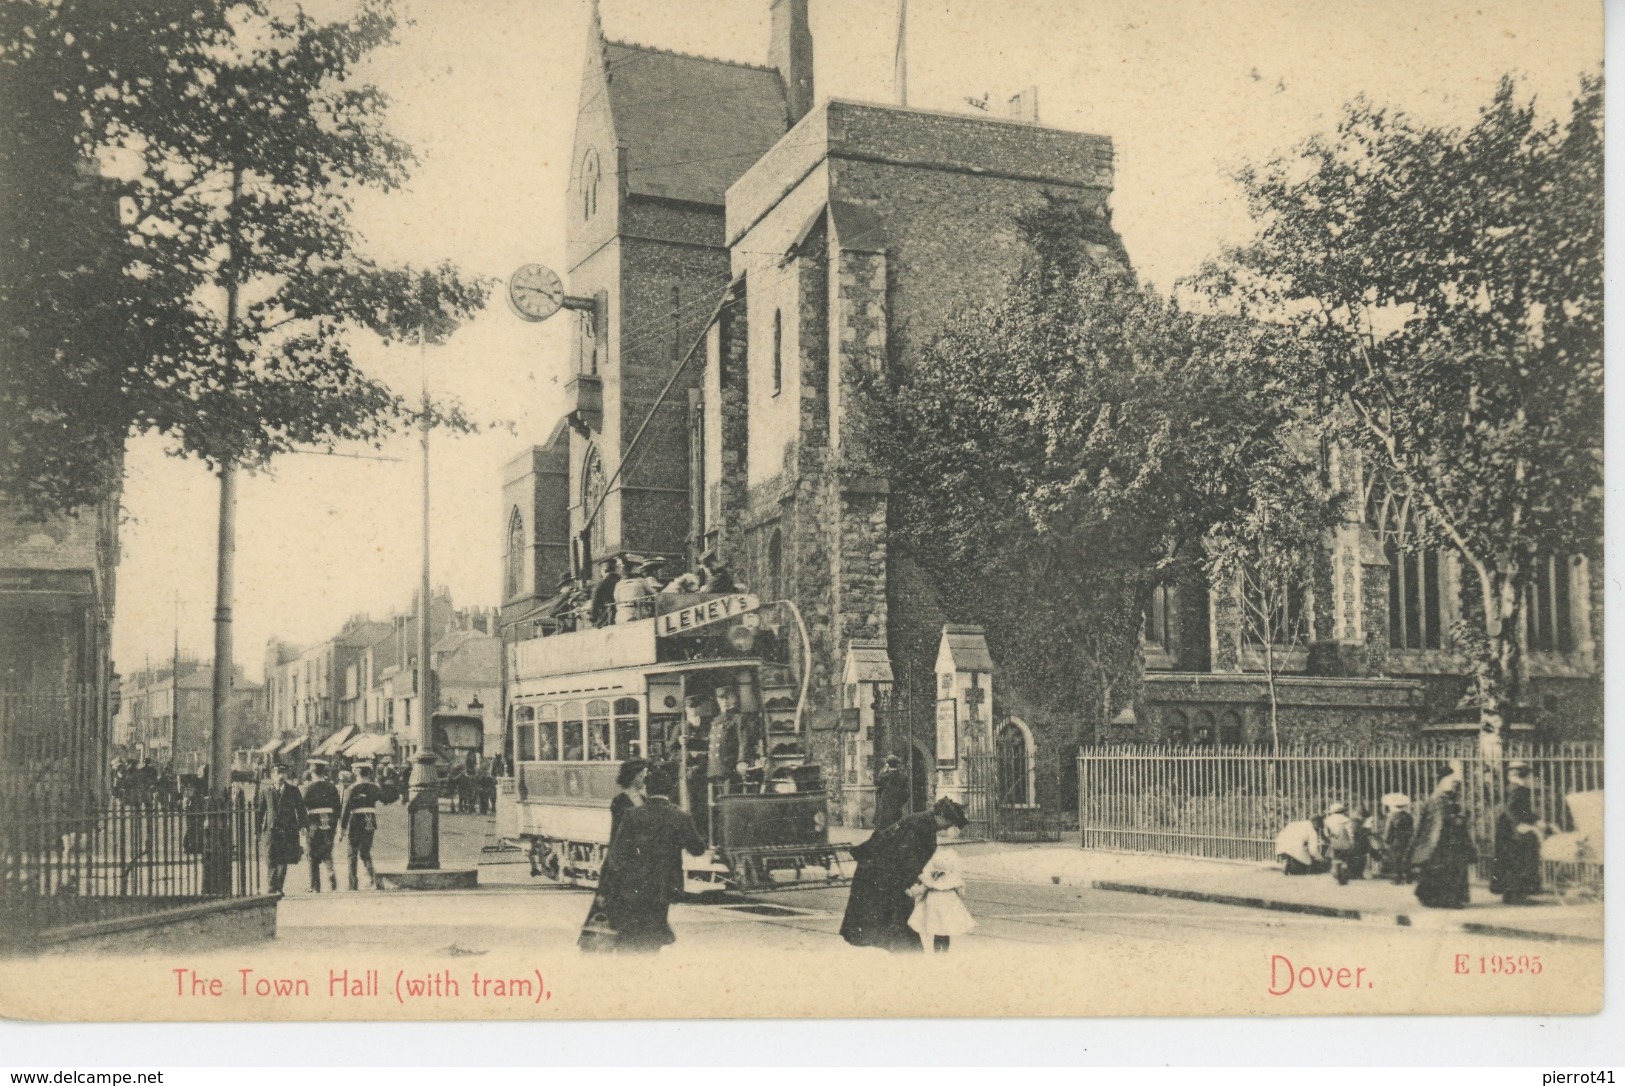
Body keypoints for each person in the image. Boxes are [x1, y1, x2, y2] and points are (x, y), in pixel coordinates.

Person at [591, 772, 707, 952]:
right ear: (671, 790)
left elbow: (617, 854)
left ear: (647, 789)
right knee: (653, 938)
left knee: (629, 936)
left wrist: (607, 887)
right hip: (663, 887)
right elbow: (698, 849)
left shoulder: (632, 815)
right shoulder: (679, 817)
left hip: (632, 887)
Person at [841, 796, 969, 952]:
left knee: (895, 914)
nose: (948, 827)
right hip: (879, 871)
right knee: (891, 913)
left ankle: (907, 949)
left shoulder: (924, 823)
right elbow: (906, 857)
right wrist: (911, 884)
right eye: (949, 823)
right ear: (941, 816)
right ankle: (909, 952)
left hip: (886, 871)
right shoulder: (921, 825)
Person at [1410, 764, 1478, 909]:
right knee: (1446, 870)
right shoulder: (1438, 798)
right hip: (1443, 841)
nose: (1453, 784)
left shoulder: (1445, 797)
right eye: (1450, 781)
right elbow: (1439, 823)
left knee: (1444, 870)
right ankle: (1446, 900)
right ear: (1442, 780)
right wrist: (1457, 820)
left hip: (1447, 840)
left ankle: (1436, 898)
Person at [1490, 760, 1544, 905]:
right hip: (1513, 830)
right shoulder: (1518, 789)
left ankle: (1511, 895)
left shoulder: (1514, 788)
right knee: (1519, 860)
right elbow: (1511, 809)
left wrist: (1536, 820)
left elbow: (1523, 811)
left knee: (1511, 860)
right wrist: (1521, 824)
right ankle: (1517, 896)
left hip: (1508, 829)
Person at [907, 843, 975, 952]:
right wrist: (961, 890)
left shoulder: (931, 877)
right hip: (948, 907)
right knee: (945, 930)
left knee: (936, 930)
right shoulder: (953, 879)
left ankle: (937, 951)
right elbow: (961, 893)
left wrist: (911, 893)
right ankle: (944, 952)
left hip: (933, 908)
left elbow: (921, 889)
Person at [258, 763, 306, 894]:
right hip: (271, 830)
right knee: (270, 858)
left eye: (283, 773)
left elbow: (301, 809)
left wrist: (302, 825)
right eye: (277, 773)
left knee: (283, 859)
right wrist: (257, 831)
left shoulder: (293, 790)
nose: (280, 776)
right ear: (272, 776)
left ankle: (278, 887)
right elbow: (260, 812)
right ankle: (271, 886)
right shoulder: (266, 792)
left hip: (288, 829)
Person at [339, 763, 383, 890]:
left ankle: (353, 884)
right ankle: (373, 879)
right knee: (365, 852)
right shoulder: (374, 788)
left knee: (352, 853)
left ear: (357, 772)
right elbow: (386, 797)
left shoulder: (352, 789)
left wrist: (342, 829)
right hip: (369, 820)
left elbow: (346, 810)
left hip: (356, 821)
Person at [301, 762, 342, 892]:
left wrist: (303, 824)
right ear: (324, 773)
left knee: (312, 855)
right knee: (327, 851)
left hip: (314, 823)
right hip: (329, 823)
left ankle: (315, 886)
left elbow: (302, 807)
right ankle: (330, 871)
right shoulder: (332, 787)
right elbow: (338, 808)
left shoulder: (308, 788)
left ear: (312, 773)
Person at [610, 758, 649, 842]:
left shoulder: (643, 798)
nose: (643, 779)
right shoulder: (619, 801)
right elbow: (618, 832)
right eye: (640, 776)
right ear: (632, 778)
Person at [1381, 793, 1415, 884]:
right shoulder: (1408, 816)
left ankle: (1398, 878)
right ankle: (1408, 877)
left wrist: (1386, 840)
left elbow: (1388, 830)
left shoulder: (1392, 816)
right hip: (1407, 839)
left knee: (1396, 859)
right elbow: (1412, 828)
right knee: (1406, 857)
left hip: (1395, 840)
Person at [1323, 801, 1357, 885]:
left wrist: (1331, 838)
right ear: (1342, 811)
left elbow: (1326, 833)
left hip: (1334, 842)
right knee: (1345, 860)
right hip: (1345, 843)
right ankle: (1343, 875)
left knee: (1336, 859)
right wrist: (1352, 841)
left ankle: (1336, 872)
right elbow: (1350, 832)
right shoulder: (1346, 820)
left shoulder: (1327, 820)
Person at [873, 754, 909, 829]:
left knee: (884, 824)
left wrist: (884, 771)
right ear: (898, 765)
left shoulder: (884, 776)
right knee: (897, 824)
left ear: (888, 765)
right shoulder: (903, 777)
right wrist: (901, 802)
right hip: (898, 805)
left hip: (886, 805)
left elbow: (876, 783)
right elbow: (907, 793)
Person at [590, 557, 622, 627]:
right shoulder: (621, 580)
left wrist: (592, 617)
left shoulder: (601, 584)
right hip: (621, 613)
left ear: (604, 570)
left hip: (607, 617)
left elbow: (595, 601)